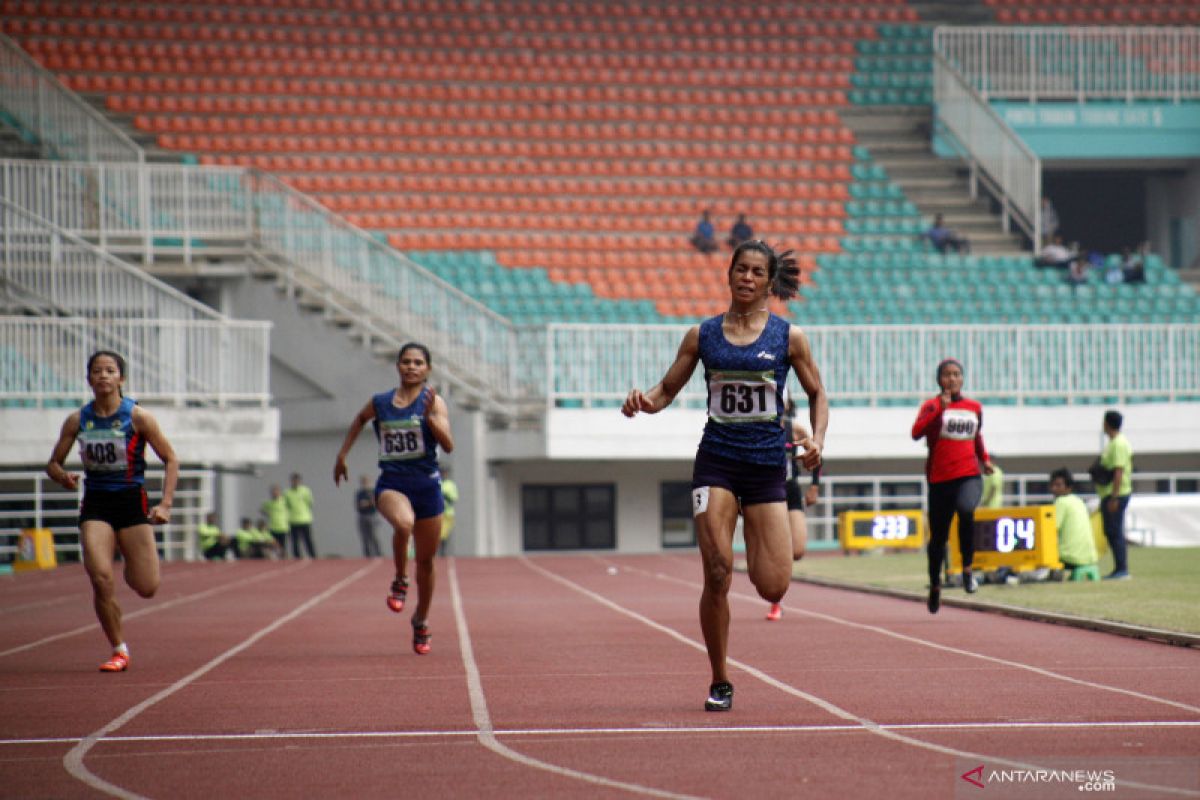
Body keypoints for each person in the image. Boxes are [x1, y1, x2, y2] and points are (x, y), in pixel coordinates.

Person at [621, 240, 828, 712]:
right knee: (717, 572)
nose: (747, 278)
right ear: (729, 274)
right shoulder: (703, 335)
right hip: (716, 461)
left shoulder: (788, 338)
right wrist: (642, 402)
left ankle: (762, 556)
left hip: (766, 468)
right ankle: (720, 678)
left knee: (773, 585)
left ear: (769, 283)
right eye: (740, 269)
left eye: (757, 271)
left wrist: (817, 439)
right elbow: (666, 390)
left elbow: (818, 393)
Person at [45, 350, 179, 672]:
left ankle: (128, 556)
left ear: (121, 378)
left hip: (132, 502)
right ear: (89, 378)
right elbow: (53, 463)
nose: (103, 376)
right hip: (97, 503)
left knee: (147, 587)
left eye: (110, 370)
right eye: (97, 371)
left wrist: (165, 504)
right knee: (101, 578)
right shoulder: (78, 420)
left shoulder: (138, 417)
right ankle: (119, 648)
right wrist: (62, 476)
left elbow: (171, 459)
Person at [334, 342, 454, 655]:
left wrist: (432, 420)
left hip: (427, 486)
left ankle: (421, 619)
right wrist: (342, 455)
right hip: (392, 483)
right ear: (398, 366)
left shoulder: (434, 402)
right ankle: (400, 578)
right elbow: (360, 420)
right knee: (403, 524)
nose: (411, 367)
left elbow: (449, 445)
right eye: (406, 362)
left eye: (418, 363)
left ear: (427, 369)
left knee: (426, 562)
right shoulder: (381, 402)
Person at [912, 358, 994, 613]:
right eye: (947, 375)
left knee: (967, 510)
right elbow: (916, 432)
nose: (952, 379)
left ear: (963, 378)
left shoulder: (974, 407)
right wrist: (939, 411)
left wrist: (985, 460)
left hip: (969, 473)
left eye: (957, 374)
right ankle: (935, 584)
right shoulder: (931, 405)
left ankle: (968, 570)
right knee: (938, 538)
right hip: (939, 479)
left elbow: (976, 436)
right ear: (939, 380)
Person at [766, 398, 820, 622]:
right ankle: (776, 601)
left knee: (796, 550)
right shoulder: (758, 429)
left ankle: (777, 566)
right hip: (767, 492)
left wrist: (814, 486)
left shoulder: (795, 430)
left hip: (791, 489)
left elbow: (815, 454)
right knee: (777, 548)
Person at [1096, 410, 1133, 580]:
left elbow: (1118, 471)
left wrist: (1114, 497)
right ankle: (1119, 568)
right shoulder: (1114, 443)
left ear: (1107, 423)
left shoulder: (1118, 443)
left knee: (1115, 531)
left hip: (1116, 494)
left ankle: (1122, 569)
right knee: (1111, 531)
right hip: (1110, 494)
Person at [1048, 468, 1099, 575]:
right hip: (1090, 557)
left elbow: (1051, 529)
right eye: (1052, 485)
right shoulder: (1079, 501)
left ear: (1069, 487)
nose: (1053, 488)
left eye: (1058, 485)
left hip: (1069, 558)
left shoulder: (1060, 502)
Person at [284, 472, 316, 559]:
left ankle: (313, 556)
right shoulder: (287, 492)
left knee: (308, 540)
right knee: (295, 541)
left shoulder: (306, 491)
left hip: (304, 519)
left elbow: (310, 503)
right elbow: (285, 505)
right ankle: (297, 557)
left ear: (300, 481)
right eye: (294, 480)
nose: (295, 482)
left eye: (297, 480)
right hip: (293, 519)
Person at [355, 475, 382, 558]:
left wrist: (367, 503)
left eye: (366, 482)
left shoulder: (373, 492)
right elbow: (359, 505)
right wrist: (366, 503)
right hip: (362, 516)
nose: (364, 484)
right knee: (364, 537)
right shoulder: (360, 493)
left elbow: (376, 503)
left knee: (374, 536)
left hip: (372, 516)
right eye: (363, 482)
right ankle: (367, 555)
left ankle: (378, 553)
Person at [261, 485, 290, 556]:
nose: (275, 493)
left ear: (280, 492)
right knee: (272, 546)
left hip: (283, 527)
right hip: (272, 527)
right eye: (273, 492)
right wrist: (268, 514)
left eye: (276, 492)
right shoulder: (268, 503)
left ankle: (284, 561)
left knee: (282, 547)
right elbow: (262, 510)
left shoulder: (284, 502)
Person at [439, 465, 458, 557]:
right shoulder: (437, 483)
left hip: (447, 513)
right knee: (437, 533)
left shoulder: (450, 485)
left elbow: (453, 498)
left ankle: (443, 550)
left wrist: (444, 496)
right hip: (437, 513)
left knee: (444, 533)